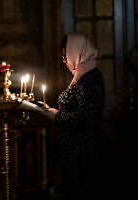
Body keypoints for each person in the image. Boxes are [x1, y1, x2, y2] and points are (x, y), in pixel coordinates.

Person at [41, 32, 105, 200]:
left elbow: (86, 118)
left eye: (65, 57)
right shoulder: (82, 76)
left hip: (83, 155)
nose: (65, 62)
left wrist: (56, 116)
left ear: (76, 52)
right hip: (74, 152)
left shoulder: (90, 78)